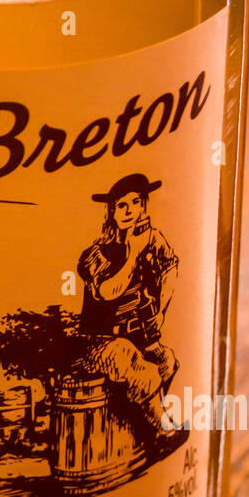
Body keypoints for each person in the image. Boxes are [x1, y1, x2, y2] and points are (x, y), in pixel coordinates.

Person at [77, 173, 180, 435]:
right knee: (137, 364)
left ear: (144, 205)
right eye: (121, 206)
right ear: (111, 213)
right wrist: (134, 253)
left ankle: (143, 424)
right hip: (104, 344)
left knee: (167, 359)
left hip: (140, 336)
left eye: (135, 202)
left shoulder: (152, 240)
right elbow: (107, 291)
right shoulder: (96, 253)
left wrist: (161, 310)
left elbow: (171, 267)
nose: (129, 210)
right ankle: (162, 426)